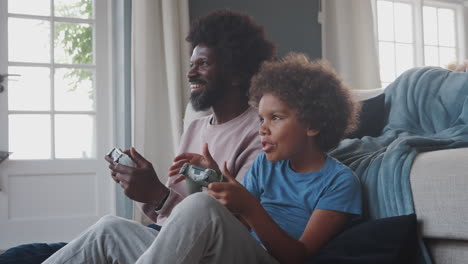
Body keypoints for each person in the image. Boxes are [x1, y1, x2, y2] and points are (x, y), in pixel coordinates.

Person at [0, 9, 275, 264]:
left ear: (237, 74)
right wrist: (151, 192)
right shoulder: (196, 128)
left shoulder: (259, 133)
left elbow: (232, 225)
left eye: (202, 64)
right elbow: (169, 214)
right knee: (28, 253)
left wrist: (159, 195)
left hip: (211, 253)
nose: (190, 72)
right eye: (191, 63)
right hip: (165, 241)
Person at [43, 53, 362, 263]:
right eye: (261, 119)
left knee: (201, 204)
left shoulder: (339, 181)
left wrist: (248, 206)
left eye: (275, 118)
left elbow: (299, 256)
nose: (262, 129)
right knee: (111, 228)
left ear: (314, 124)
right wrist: (215, 181)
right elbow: (231, 222)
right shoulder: (267, 166)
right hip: (225, 254)